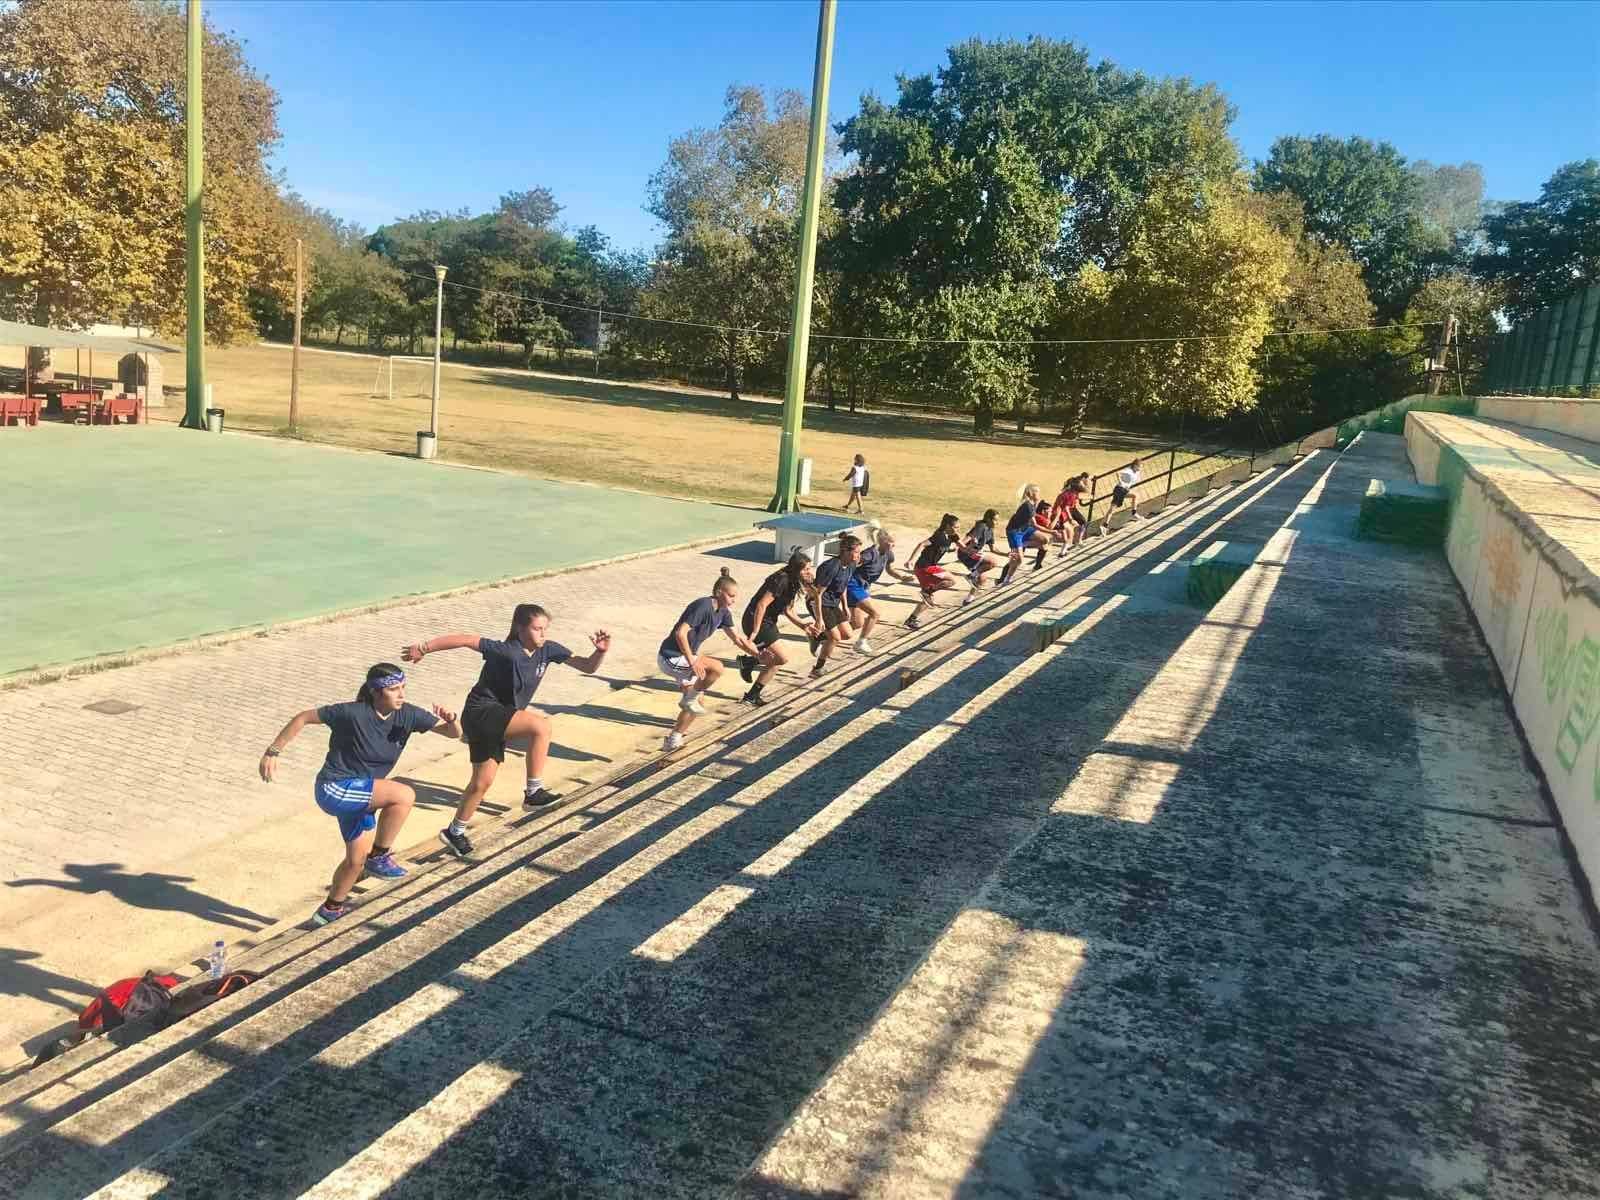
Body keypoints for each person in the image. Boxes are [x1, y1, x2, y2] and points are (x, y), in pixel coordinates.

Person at [260, 662, 463, 926]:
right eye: (393, 689)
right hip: (335, 788)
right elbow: (303, 717)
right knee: (403, 795)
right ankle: (379, 856)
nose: (401, 694)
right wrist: (272, 751)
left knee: (355, 861)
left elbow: (452, 734)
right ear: (376, 692)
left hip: (362, 793)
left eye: (403, 688)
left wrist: (453, 721)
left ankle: (331, 909)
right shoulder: (353, 713)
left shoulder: (408, 715)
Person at [403, 605, 611, 859]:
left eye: (545, 628)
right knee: (540, 726)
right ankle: (533, 791)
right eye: (536, 628)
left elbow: (588, 667)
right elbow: (465, 640)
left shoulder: (548, 650)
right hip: (481, 712)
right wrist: (424, 647)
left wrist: (599, 652)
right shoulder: (505, 651)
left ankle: (454, 832)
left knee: (482, 783)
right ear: (519, 628)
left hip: (502, 718)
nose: (542, 633)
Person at [659, 567, 763, 752]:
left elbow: (738, 639)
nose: (733, 600)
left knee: (698, 702)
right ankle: (689, 700)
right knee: (717, 668)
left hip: (685, 658)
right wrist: (692, 660)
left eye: (735, 596)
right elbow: (680, 633)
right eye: (731, 596)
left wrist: (758, 654)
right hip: (671, 657)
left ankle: (674, 739)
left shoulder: (723, 613)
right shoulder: (703, 606)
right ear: (718, 592)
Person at [737, 552, 821, 706]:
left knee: (775, 659)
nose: (809, 572)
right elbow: (761, 605)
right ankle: (751, 693)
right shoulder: (781, 580)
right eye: (806, 569)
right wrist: (755, 632)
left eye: (810, 568)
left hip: (768, 622)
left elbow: (788, 610)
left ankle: (749, 666)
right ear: (796, 569)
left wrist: (803, 626)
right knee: (781, 658)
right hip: (754, 620)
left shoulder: (795, 582)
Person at [849, 528, 915, 654]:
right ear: (883, 541)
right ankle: (861, 642)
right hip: (853, 585)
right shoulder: (869, 554)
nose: (893, 545)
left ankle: (822, 636)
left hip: (863, 588)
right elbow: (852, 564)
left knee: (857, 623)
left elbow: (889, 569)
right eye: (891, 542)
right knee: (875, 613)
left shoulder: (888, 554)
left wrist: (902, 577)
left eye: (894, 542)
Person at [809, 534, 865, 676]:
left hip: (833, 602)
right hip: (819, 602)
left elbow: (843, 585)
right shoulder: (831, 567)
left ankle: (818, 636)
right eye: (856, 552)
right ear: (846, 551)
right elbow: (817, 594)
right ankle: (817, 669)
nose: (859, 555)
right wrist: (819, 619)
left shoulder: (851, 565)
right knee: (835, 638)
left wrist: (845, 606)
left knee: (847, 634)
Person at [905, 513, 962, 630]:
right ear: (948, 526)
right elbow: (922, 544)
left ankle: (911, 619)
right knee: (951, 580)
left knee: (929, 600)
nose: (958, 529)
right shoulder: (939, 536)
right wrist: (911, 560)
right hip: (925, 567)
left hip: (925, 568)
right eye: (956, 527)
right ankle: (927, 591)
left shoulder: (951, 537)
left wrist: (963, 547)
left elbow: (963, 547)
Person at [1000, 485, 1049, 585]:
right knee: (1019, 559)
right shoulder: (1027, 505)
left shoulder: (1033, 504)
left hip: (1025, 529)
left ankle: (1024, 545)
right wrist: (1052, 531)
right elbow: (1034, 524)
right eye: (1037, 492)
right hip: (1015, 531)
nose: (1039, 494)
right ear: (1031, 494)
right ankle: (1007, 579)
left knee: (1044, 540)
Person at [956, 509, 1004, 605]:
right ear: (988, 519)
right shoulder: (981, 526)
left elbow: (993, 548)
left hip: (974, 554)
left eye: (997, 520)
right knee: (993, 562)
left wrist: (1007, 554)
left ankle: (968, 599)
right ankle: (971, 576)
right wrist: (960, 545)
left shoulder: (990, 530)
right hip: (967, 553)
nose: (997, 523)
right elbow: (968, 537)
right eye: (995, 520)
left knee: (982, 578)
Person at [1055, 474, 1089, 558]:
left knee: (1069, 533)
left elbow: (1077, 498)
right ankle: (1064, 551)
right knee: (1067, 533)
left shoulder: (1071, 492)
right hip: (1064, 513)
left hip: (1065, 511)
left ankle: (1063, 552)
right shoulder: (1071, 494)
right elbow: (1066, 507)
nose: (1083, 485)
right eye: (1081, 484)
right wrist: (1070, 518)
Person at [1106, 461, 1143, 531]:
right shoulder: (1128, 470)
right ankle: (1104, 525)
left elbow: (1136, 479)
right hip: (1120, 489)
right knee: (1112, 509)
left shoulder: (1136, 472)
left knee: (1135, 496)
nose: (1140, 469)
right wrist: (1121, 481)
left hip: (1124, 490)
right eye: (1140, 467)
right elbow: (1117, 473)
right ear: (1135, 466)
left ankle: (1134, 513)